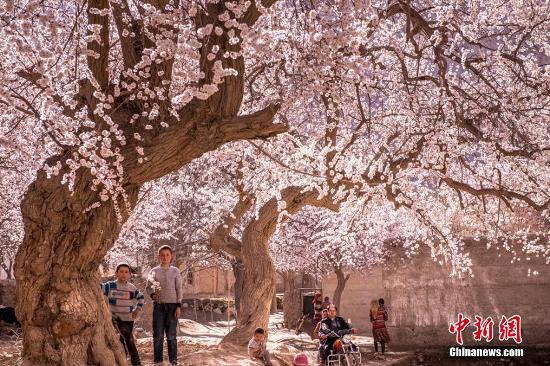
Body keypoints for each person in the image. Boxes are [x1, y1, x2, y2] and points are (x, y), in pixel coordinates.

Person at [146, 245, 183, 365]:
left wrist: (178, 306)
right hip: (159, 306)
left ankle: (173, 360)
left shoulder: (175, 271)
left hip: (172, 306)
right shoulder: (153, 271)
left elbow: (179, 289)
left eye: (167, 255)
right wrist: (153, 295)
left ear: (171, 256)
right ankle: (158, 361)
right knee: (158, 335)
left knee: (171, 335)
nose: (165, 257)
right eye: (162, 255)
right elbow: (148, 288)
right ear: (158, 256)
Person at [102, 262, 144, 366]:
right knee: (129, 339)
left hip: (129, 318)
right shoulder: (111, 286)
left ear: (129, 275)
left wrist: (137, 310)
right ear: (116, 273)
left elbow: (141, 297)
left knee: (123, 339)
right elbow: (98, 287)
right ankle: (136, 362)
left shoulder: (132, 288)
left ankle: (123, 360)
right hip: (116, 317)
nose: (123, 274)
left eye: (126, 272)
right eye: (121, 271)